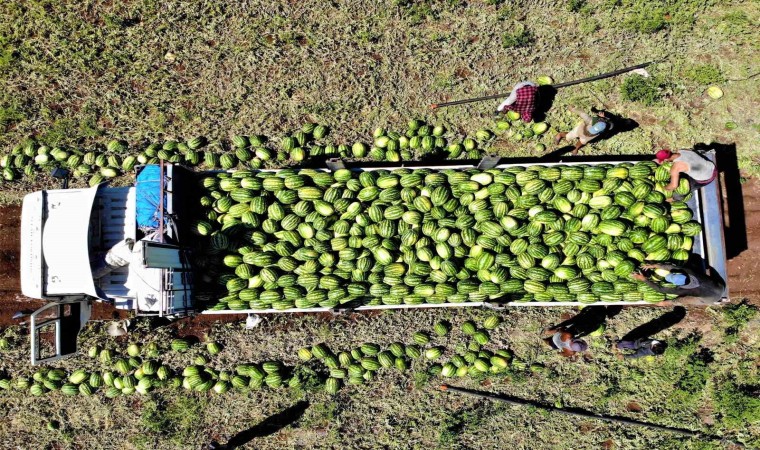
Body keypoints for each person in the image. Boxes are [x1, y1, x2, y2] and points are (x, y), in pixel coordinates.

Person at [630, 263, 726, 305]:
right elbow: (671, 267)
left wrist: (643, 279)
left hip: (710, 299)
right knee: (706, 274)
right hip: (719, 286)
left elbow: (660, 289)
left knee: (687, 300)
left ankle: (667, 303)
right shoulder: (690, 271)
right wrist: (654, 265)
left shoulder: (683, 290)